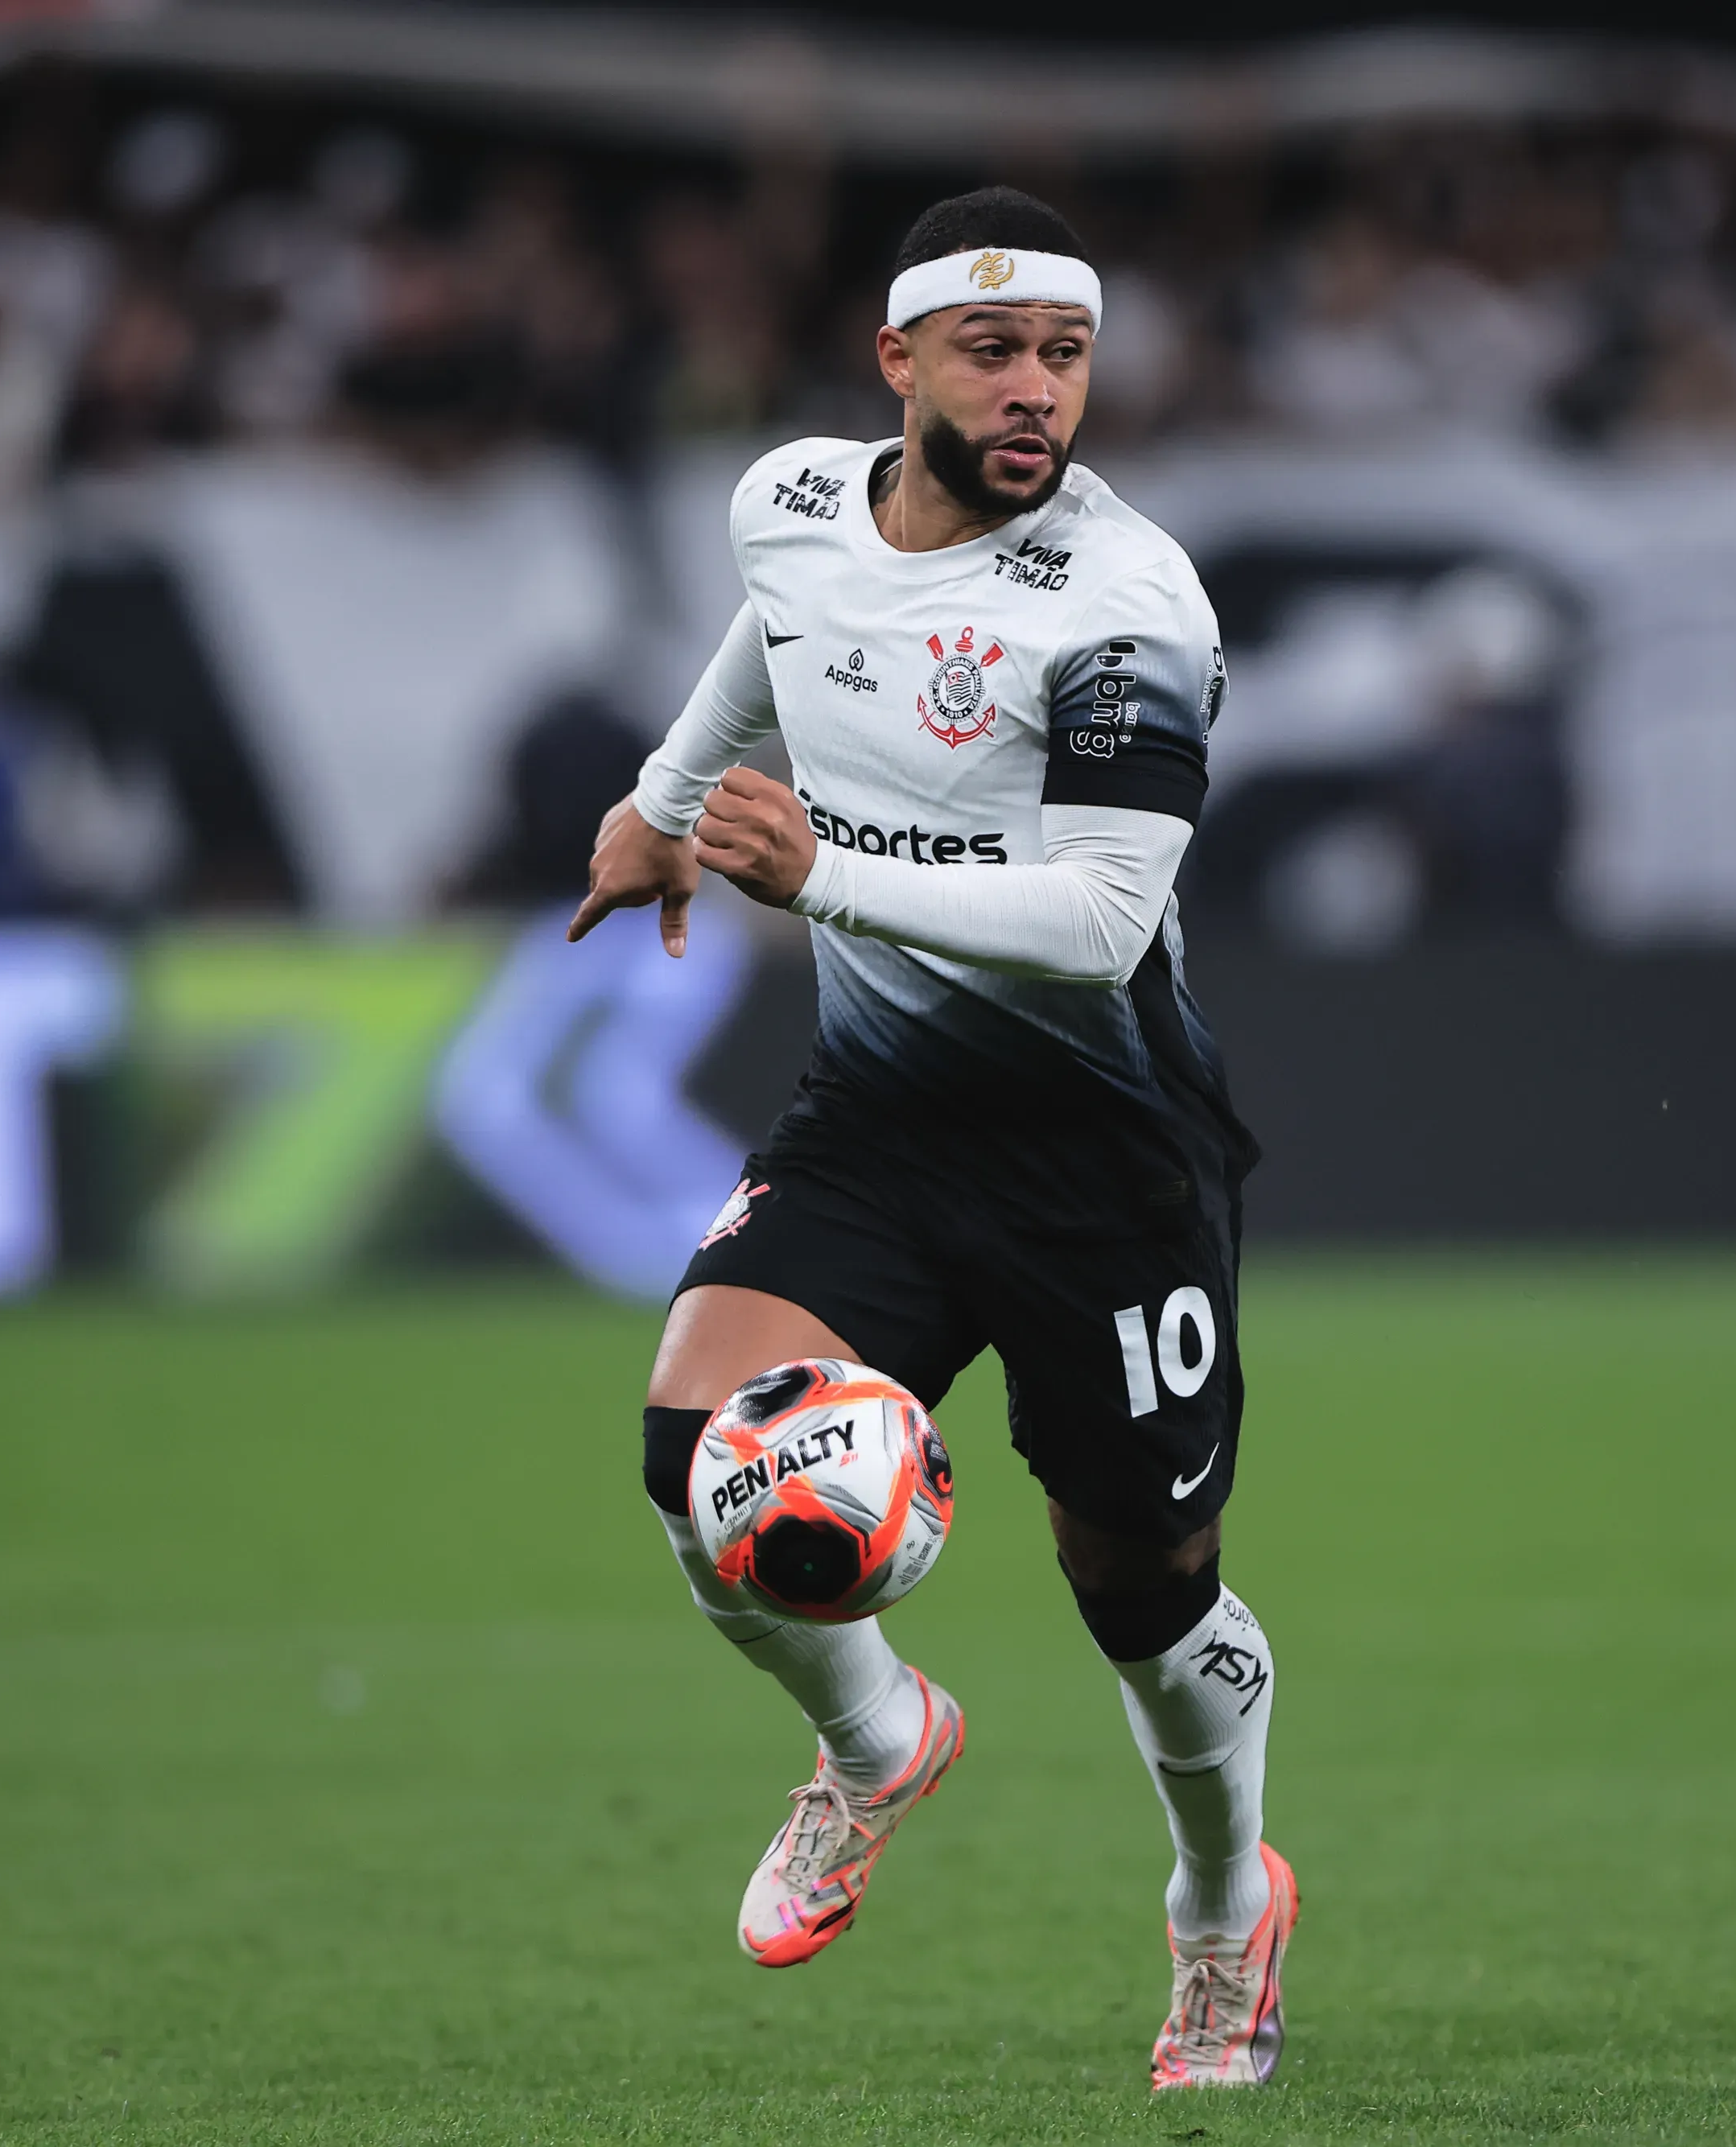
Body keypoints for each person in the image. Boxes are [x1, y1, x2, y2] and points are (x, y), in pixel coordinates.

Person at [571, 188, 1285, 2088]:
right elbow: (781, 628)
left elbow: (1103, 919)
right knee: (695, 1455)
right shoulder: (791, 501)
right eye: (992, 351)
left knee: (1144, 1598)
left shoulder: (1128, 603)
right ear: (896, 361)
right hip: (881, 1119)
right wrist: (662, 799)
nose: (1034, 387)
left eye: (1063, 352)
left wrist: (820, 873)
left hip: (1103, 1161)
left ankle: (1222, 1905)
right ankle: (878, 1740)